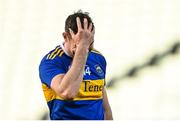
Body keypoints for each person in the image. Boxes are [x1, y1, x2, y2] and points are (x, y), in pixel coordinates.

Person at [39, 10, 113, 120]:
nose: (86, 49)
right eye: (79, 42)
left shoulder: (98, 58)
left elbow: (105, 107)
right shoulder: (51, 62)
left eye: (89, 42)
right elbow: (67, 92)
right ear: (66, 36)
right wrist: (82, 48)